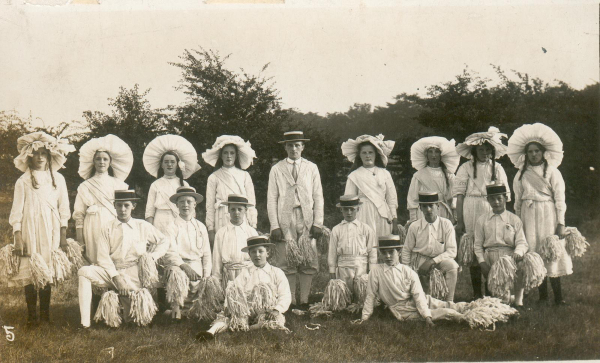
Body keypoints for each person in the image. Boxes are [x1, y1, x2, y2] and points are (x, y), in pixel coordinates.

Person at [77, 190, 170, 328]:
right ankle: (85, 324)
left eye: (126, 205)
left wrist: (151, 257)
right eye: (119, 205)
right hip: (112, 272)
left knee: (135, 316)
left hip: (135, 272)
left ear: (133, 206)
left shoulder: (142, 225)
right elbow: (102, 257)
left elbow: (164, 241)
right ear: (114, 206)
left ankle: (128, 311)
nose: (122, 209)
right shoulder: (107, 227)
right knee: (84, 272)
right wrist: (116, 277)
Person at [9, 132, 74, 326]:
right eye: (36, 153)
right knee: (30, 269)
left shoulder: (58, 179)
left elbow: (64, 209)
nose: (39, 157)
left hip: (51, 229)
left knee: (46, 269)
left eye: (43, 153)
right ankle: (31, 315)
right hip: (30, 229)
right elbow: (17, 212)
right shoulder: (22, 181)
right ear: (29, 156)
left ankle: (45, 314)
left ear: (49, 156)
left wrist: (63, 235)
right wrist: (18, 237)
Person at [508, 123, 572, 306]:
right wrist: (518, 224)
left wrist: (561, 222)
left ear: (543, 152)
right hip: (528, 215)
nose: (534, 154)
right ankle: (542, 295)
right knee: (534, 252)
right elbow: (517, 201)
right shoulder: (520, 174)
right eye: (530, 152)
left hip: (548, 214)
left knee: (550, 251)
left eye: (537, 151)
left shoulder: (553, 172)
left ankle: (558, 297)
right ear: (525, 154)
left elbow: (560, 199)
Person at [196, 235, 292, 341]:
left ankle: (248, 328)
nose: (257, 255)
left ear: (267, 253)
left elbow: (285, 295)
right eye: (253, 252)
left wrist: (277, 309)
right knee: (227, 318)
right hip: (247, 310)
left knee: (274, 321)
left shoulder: (276, 272)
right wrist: (229, 306)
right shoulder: (245, 272)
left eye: (261, 251)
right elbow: (234, 291)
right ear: (249, 255)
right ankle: (210, 332)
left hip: (267, 311)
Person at [267, 131, 324, 308]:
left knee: (308, 257)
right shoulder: (277, 169)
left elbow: (318, 195)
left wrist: (317, 222)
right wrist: (274, 225)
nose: (293, 148)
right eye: (290, 145)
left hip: (306, 216)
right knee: (287, 257)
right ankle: (290, 299)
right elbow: (272, 197)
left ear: (303, 147)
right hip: (285, 216)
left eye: (297, 145)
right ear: (285, 147)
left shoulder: (311, 167)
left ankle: (305, 299)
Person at [454, 127, 511, 300]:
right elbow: (459, 196)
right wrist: (460, 221)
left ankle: (491, 290)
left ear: (492, 151)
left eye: (487, 149)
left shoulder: (498, 168)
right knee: (473, 249)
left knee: (490, 247)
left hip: (491, 207)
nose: (484, 153)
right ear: (474, 150)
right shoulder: (465, 168)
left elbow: (505, 196)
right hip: (471, 207)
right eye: (481, 149)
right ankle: (477, 292)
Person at [360, 236, 465, 326]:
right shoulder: (376, 272)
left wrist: (425, 314)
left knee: (449, 305)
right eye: (384, 253)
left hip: (419, 300)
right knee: (446, 312)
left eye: (391, 252)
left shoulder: (408, 271)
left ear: (399, 252)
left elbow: (418, 294)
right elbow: (370, 295)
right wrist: (364, 317)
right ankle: (469, 319)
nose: (387, 256)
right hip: (402, 309)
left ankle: (473, 306)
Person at [73, 134, 133, 265]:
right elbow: (79, 213)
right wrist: (80, 240)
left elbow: (126, 209)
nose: (102, 162)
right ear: (93, 161)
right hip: (93, 224)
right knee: (95, 258)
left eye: (105, 159)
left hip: (114, 222)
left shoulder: (119, 184)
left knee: (115, 258)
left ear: (110, 162)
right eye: (98, 159)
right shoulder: (85, 186)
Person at [474, 184, 528, 306]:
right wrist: (482, 263)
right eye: (492, 199)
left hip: (509, 255)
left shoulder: (514, 219)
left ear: (505, 198)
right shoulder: (482, 220)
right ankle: (503, 299)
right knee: (500, 301)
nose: (496, 202)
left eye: (499, 198)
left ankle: (519, 301)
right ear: (488, 200)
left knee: (522, 265)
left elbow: (522, 242)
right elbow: (477, 245)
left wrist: (517, 253)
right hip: (490, 255)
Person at [162, 186, 211, 320]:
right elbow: (170, 252)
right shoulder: (171, 226)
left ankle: (186, 310)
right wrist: (184, 267)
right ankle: (176, 309)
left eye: (189, 201)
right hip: (179, 266)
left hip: (197, 265)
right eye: (182, 202)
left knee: (198, 297)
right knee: (177, 277)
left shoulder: (200, 226)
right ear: (176, 204)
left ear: (194, 204)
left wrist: (206, 276)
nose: (185, 205)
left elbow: (206, 253)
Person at [402, 192, 459, 302]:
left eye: (431, 205)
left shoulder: (446, 224)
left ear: (437, 206)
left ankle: (449, 301)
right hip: (418, 261)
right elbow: (406, 250)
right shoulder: (415, 226)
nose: (428, 209)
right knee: (422, 299)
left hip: (439, 260)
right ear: (420, 208)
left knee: (452, 265)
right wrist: (407, 270)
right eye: (424, 206)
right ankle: (422, 299)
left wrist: (432, 261)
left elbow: (452, 251)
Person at [202, 135, 258, 247]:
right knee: (224, 247)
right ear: (220, 155)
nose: (228, 156)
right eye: (225, 153)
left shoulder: (244, 175)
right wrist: (211, 228)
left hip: (241, 215)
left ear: (236, 155)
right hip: (222, 216)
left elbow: (251, 202)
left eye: (232, 153)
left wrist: (253, 224)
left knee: (242, 247)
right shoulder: (214, 177)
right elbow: (209, 205)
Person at [341, 134, 400, 239]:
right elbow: (349, 201)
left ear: (376, 154)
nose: (367, 156)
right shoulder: (354, 175)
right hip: (363, 214)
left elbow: (391, 199)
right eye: (364, 153)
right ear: (359, 155)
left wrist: (394, 220)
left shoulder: (385, 173)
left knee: (383, 245)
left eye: (370, 152)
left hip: (383, 214)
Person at [143, 134, 201, 234]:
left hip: (179, 220)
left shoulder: (184, 184)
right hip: (160, 221)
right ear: (161, 165)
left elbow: (191, 210)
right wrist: (151, 231)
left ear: (177, 164)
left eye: (172, 162)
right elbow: (150, 211)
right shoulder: (155, 184)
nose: (169, 164)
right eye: (166, 162)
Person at [327, 195, 377, 297]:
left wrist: (372, 269)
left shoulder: (366, 229)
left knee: (361, 293)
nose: (349, 213)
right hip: (343, 266)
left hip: (361, 265)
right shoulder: (336, 229)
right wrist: (332, 269)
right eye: (346, 209)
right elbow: (332, 252)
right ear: (341, 210)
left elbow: (372, 251)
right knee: (344, 293)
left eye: (352, 209)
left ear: (358, 209)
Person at [407, 136, 460, 224]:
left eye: (436, 152)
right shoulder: (419, 175)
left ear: (441, 154)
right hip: (425, 212)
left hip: (443, 211)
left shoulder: (449, 175)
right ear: (426, 155)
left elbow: (455, 196)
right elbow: (412, 199)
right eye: (430, 152)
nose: (433, 155)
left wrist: (455, 216)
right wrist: (413, 219)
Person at [212, 194, 258, 291]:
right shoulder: (221, 233)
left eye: (240, 209)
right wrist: (217, 281)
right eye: (233, 209)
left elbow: (256, 257)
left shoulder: (251, 232)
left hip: (247, 274)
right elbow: (217, 259)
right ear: (228, 210)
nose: (236, 213)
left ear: (245, 210)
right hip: (229, 275)